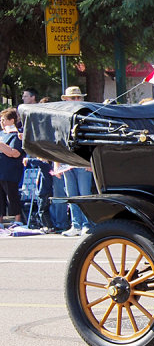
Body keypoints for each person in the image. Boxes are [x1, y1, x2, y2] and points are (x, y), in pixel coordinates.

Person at [58, 86, 94, 236]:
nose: (76, 100)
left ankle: (86, 224)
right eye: (73, 98)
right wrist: (57, 162)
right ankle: (76, 224)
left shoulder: (86, 115)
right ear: (66, 99)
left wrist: (91, 162)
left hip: (82, 161)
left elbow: (92, 140)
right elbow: (59, 140)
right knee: (71, 195)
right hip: (67, 161)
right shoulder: (62, 116)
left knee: (84, 194)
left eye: (78, 97)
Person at [0, 108, 24, 227]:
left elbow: (14, 153)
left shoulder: (17, 135)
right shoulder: (2, 134)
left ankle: (17, 219)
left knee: (11, 196)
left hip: (10, 172)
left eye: (4, 120)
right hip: (1, 170)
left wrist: (1, 145)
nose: (2, 122)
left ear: (12, 120)